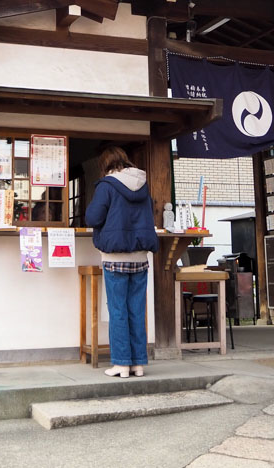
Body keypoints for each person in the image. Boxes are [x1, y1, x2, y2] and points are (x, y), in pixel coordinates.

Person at [85, 146, 158, 378]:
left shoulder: (107, 186)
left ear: (106, 165)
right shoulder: (143, 185)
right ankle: (138, 364)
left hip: (115, 256)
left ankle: (121, 364)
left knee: (117, 310)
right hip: (140, 257)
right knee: (136, 310)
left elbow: (93, 217)